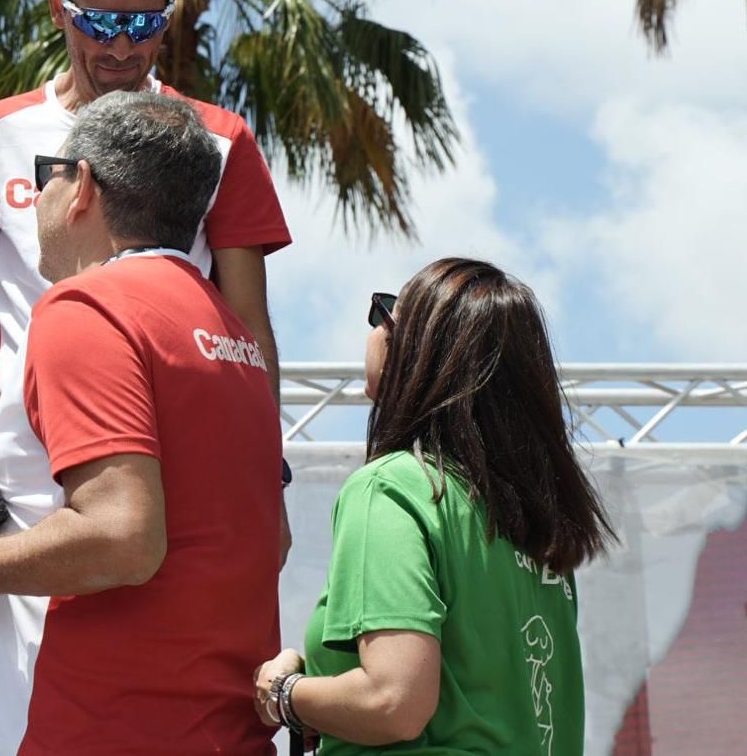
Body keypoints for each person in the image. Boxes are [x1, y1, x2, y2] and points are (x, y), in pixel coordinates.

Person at [0, 91, 284, 754]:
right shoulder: (227, 335)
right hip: (217, 724)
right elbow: (38, 440)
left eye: (49, 173)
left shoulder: (87, 307)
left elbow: (121, 536)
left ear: (82, 187)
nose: (39, 196)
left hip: (99, 719)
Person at [0, 0, 295, 586]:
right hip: (22, 486)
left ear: (168, 16)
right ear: (57, 9)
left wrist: (267, 480)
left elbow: (248, 329)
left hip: (178, 476)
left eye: (143, 24)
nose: (122, 48)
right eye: (99, 22)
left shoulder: (219, 141)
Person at [251, 259, 616, 754]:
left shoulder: (391, 489)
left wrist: (282, 693)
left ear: (417, 349)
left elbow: (393, 702)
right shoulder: (537, 526)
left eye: (384, 314)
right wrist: (324, 701)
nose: (375, 329)